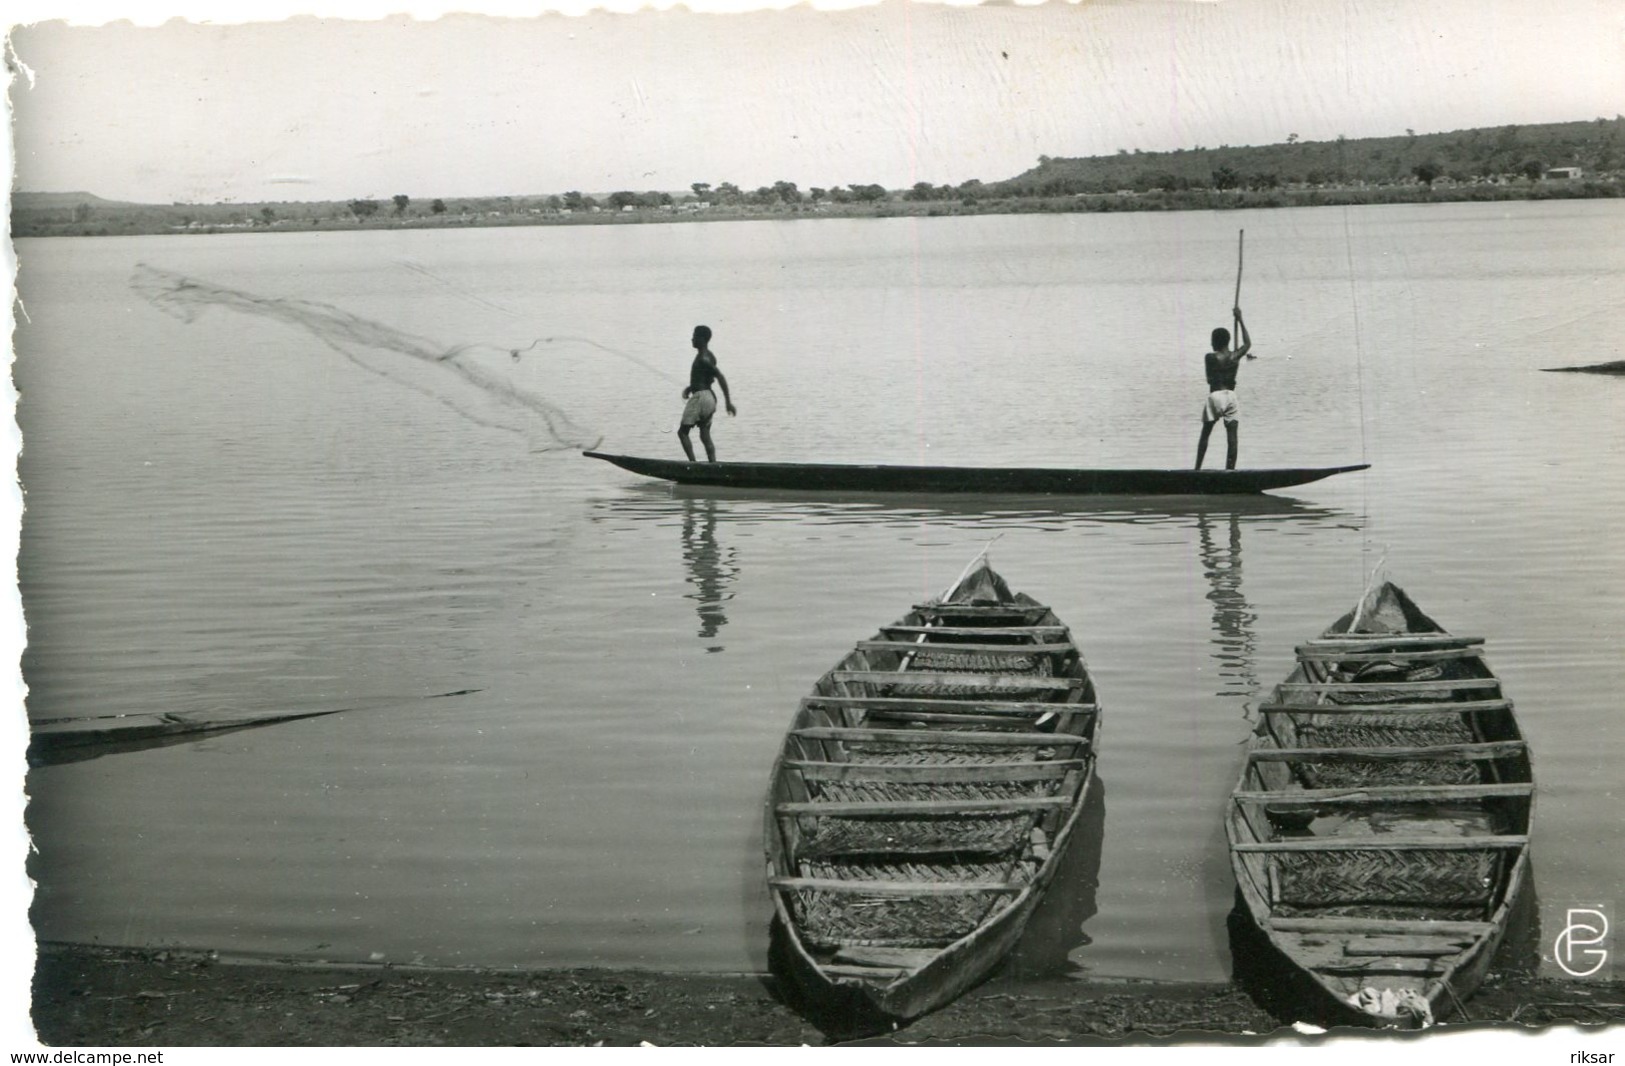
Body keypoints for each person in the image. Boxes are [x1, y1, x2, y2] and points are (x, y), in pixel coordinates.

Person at [1194, 307, 1255, 470]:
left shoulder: (1210, 357)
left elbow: (1209, 379)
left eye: (1212, 340)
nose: (1210, 343)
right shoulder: (1235, 356)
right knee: (1232, 437)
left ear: (1216, 342)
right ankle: (1230, 470)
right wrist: (1240, 319)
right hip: (1231, 397)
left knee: (1205, 434)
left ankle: (1197, 469)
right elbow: (1248, 344)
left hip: (1215, 396)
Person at [678, 325, 736, 462]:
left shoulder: (703, 358)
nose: (692, 339)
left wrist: (728, 402)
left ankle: (692, 465)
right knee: (705, 434)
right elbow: (706, 378)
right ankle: (713, 464)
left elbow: (720, 377)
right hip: (710, 398)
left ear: (702, 339)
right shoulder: (709, 356)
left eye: (694, 336)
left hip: (700, 397)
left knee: (682, 432)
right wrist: (690, 387)